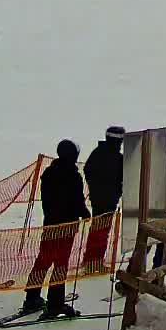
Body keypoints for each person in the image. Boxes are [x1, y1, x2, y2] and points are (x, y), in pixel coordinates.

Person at [19, 139, 89, 320]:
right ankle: (55, 303)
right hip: (66, 227)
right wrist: (85, 213)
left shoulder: (49, 173)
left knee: (43, 261)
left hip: (50, 224)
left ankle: (32, 297)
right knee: (60, 264)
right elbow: (77, 201)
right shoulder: (73, 176)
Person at [79, 126, 124, 274]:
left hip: (98, 198)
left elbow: (87, 170)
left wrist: (95, 186)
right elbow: (123, 178)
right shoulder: (117, 158)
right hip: (107, 200)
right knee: (101, 232)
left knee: (97, 230)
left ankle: (90, 260)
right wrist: (114, 189)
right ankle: (94, 263)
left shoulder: (98, 152)